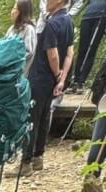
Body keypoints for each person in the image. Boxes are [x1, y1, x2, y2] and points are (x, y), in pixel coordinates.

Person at [11, 0, 74, 175]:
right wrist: (62, 78)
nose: (46, 2)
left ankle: (25, 163)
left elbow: (52, 54)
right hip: (54, 79)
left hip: (41, 77)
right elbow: (70, 53)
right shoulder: (69, 20)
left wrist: (56, 74)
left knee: (32, 118)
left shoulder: (52, 24)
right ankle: (38, 157)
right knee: (45, 116)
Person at [69, 0, 106, 89]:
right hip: (87, 17)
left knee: (91, 49)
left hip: (101, 17)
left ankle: (81, 81)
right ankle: (75, 79)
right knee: (82, 49)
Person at [6, 0, 39, 70]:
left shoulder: (29, 29)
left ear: (21, 12)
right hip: (8, 70)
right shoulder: (12, 28)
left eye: (14, 9)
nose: (12, 12)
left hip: (19, 73)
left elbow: (28, 52)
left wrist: (10, 57)